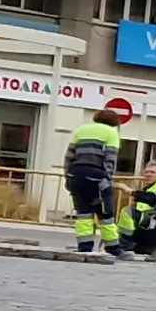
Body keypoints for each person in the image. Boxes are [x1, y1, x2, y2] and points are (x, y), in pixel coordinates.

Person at [61, 97, 131, 258]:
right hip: (97, 176)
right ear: (115, 122)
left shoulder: (81, 130)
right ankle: (114, 248)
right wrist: (107, 178)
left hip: (76, 175)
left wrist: (68, 177)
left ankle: (84, 247)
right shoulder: (111, 133)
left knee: (83, 213)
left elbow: (68, 156)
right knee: (105, 213)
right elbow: (110, 158)